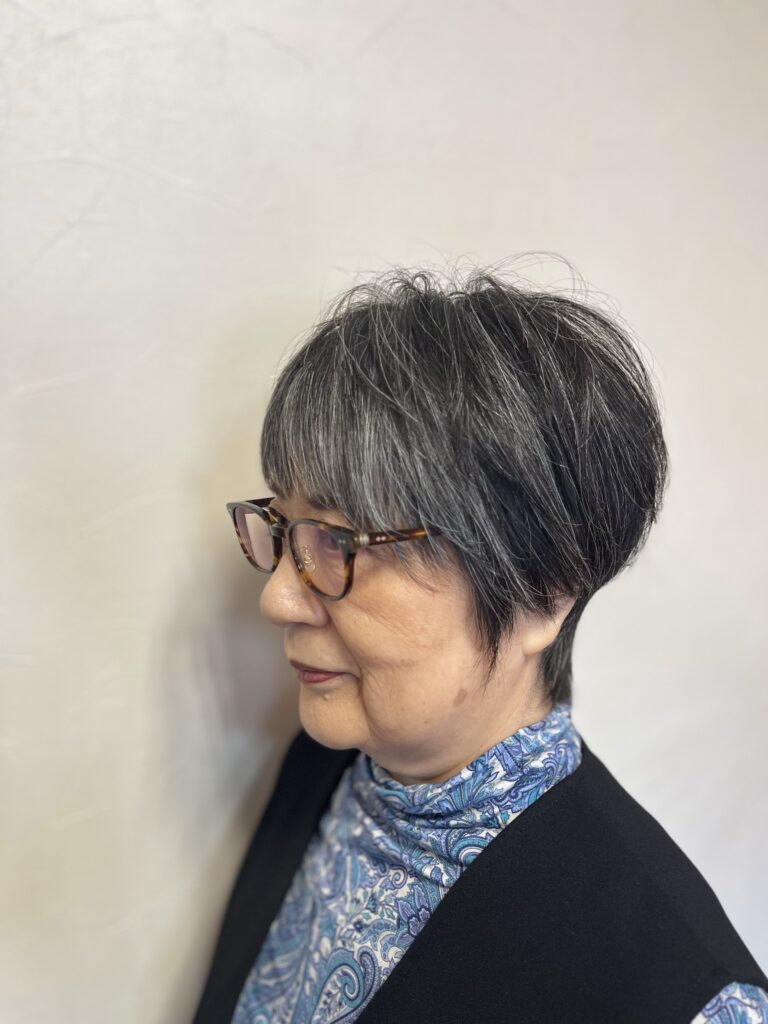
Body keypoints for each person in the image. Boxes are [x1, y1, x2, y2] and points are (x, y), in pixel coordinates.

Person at [192, 266, 768, 1024]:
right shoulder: (326, 765)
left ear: (540, 592)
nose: (277, 597)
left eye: (339, 540)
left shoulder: (679, 994)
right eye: (283, 526)